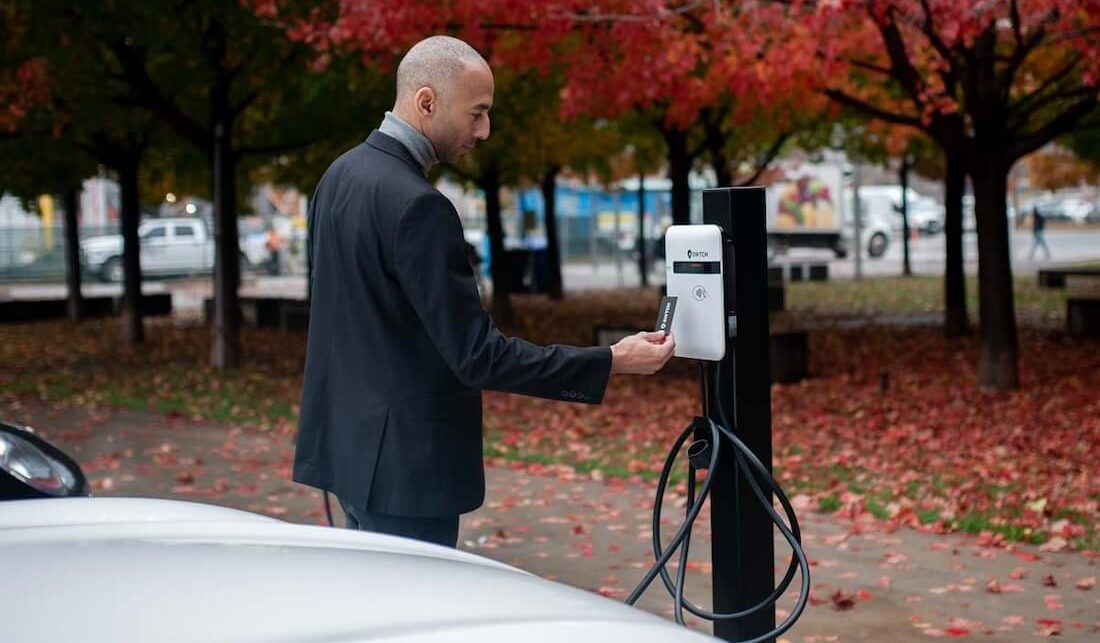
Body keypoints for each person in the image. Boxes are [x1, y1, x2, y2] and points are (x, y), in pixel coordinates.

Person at [294, 35, 675, 548]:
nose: (485, 130)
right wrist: (609, 360)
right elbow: (477, 356)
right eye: (476, 113)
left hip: (349, 455)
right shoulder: (419, 207)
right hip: (408, 474)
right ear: (426, 102)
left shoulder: (338, 177)